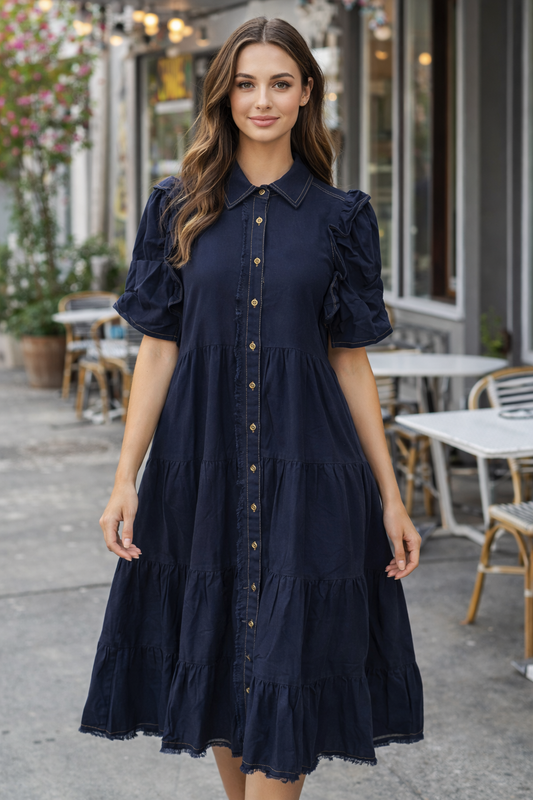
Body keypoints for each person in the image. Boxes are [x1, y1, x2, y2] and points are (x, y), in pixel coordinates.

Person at [79, 16, 423, 800]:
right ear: (223, 94)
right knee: (226, 676)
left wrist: (392, 496)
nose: (260, 100)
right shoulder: (176, 206)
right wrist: (124, 476)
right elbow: (157, 349)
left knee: (285, 673)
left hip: (313, 480)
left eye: (278, 83)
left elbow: (349, 360)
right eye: (244, 83)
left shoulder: (341, 219)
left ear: (306, 94)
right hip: (200, 476)